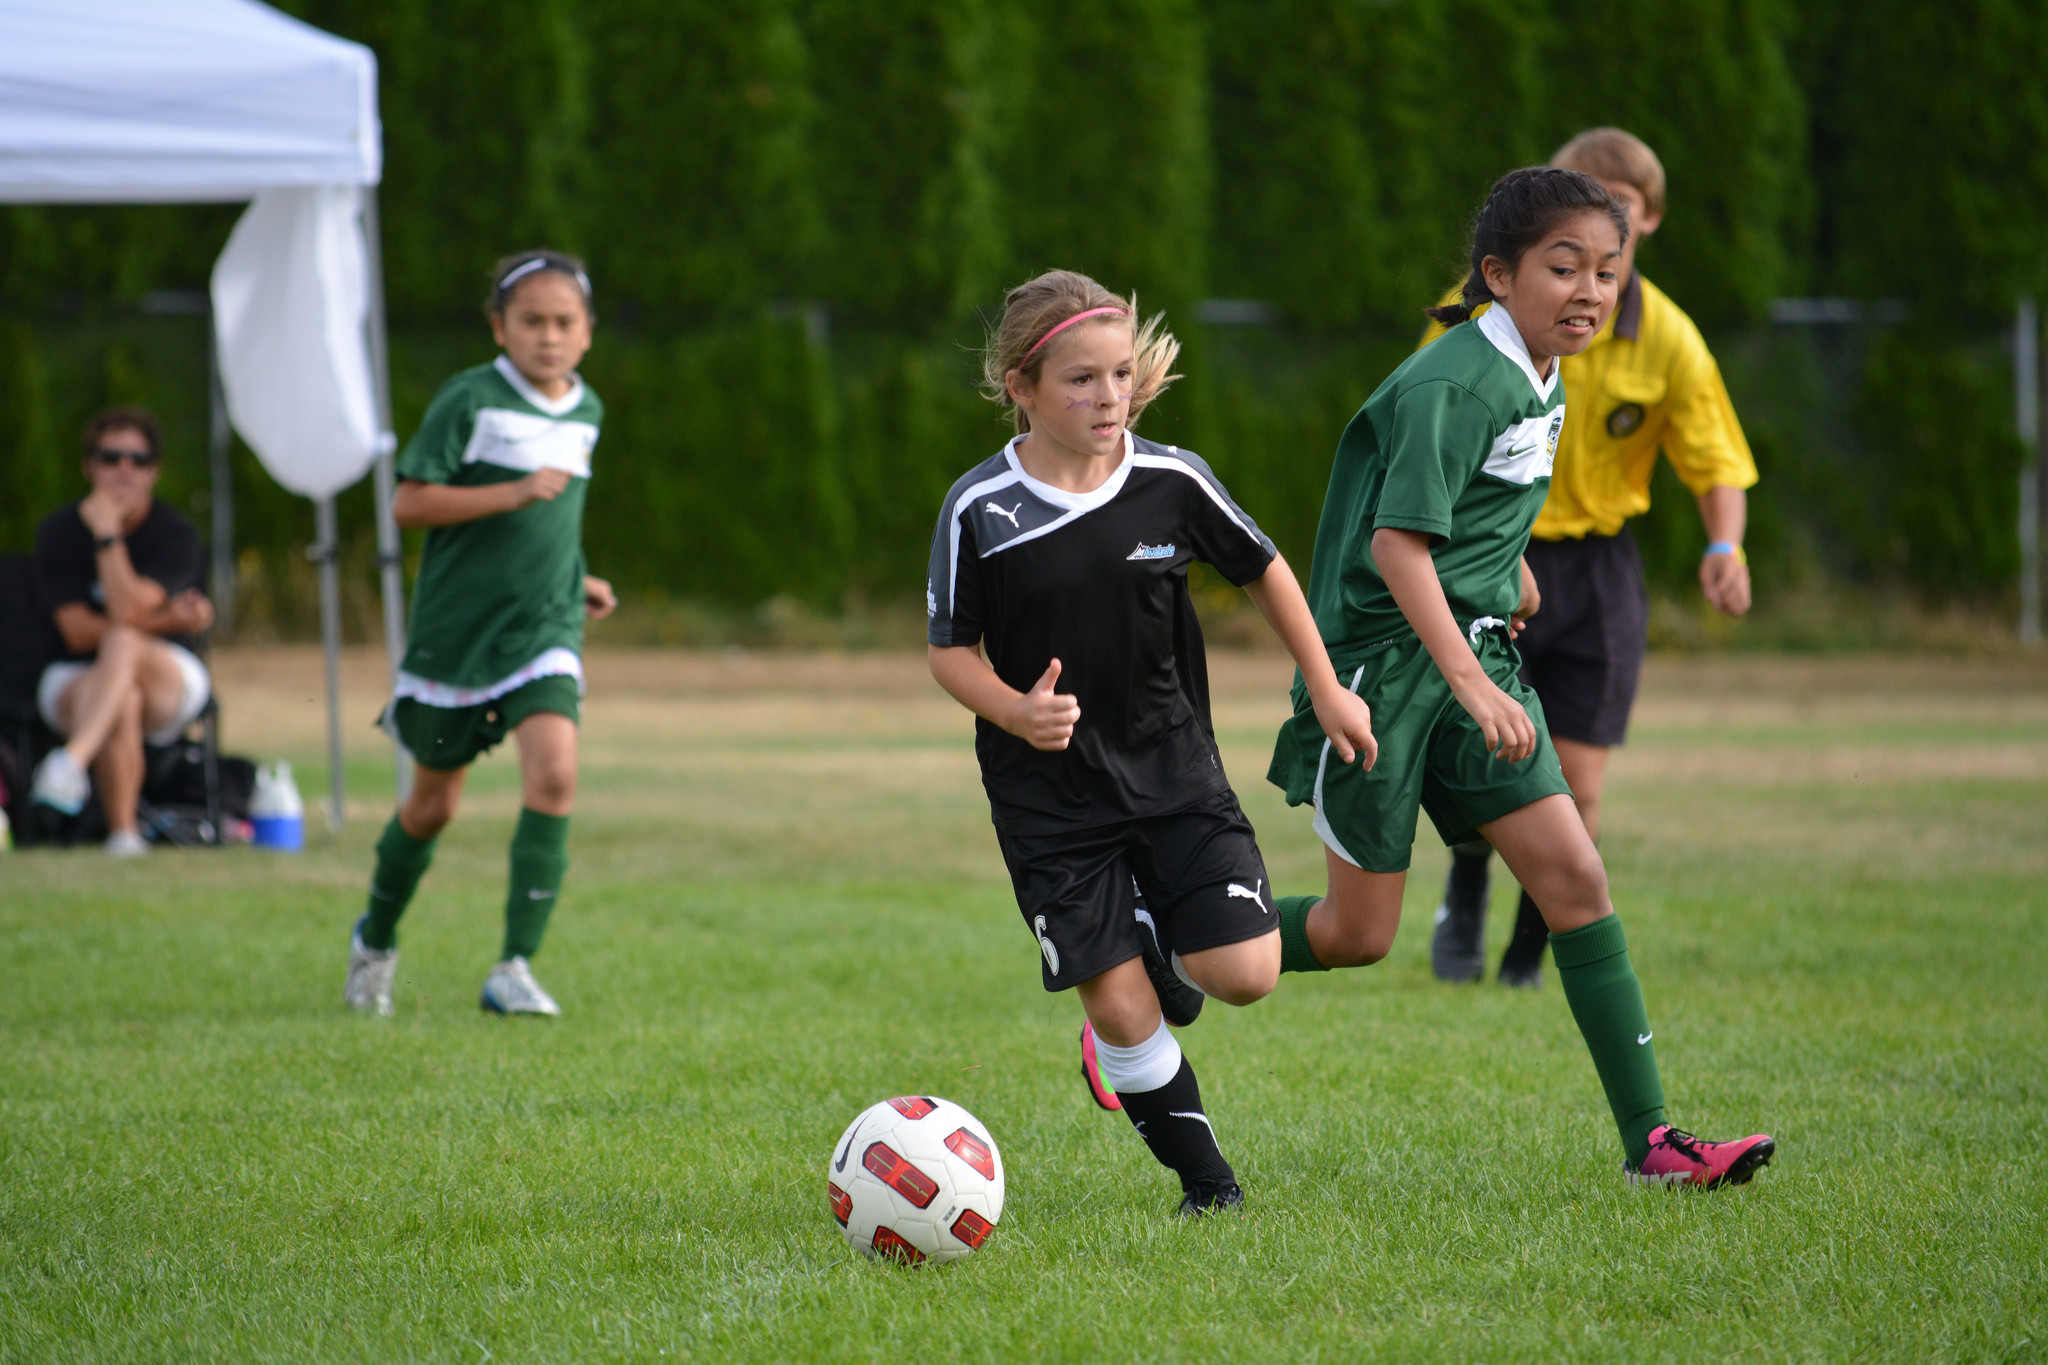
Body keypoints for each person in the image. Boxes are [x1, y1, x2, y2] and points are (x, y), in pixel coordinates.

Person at [1265, 168, 1774, 1188]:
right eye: (1562, 267)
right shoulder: (1459, 380)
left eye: (1605, 270)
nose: (1588, 290)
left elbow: (1468, 516)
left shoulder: (1543, 370)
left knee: (1576, 879)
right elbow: (1398, 547)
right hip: (1383, 677)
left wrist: (1512, 577)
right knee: (1355, 935)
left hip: (1471, 654)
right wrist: (1472, 682)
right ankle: (1158, 948)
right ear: (1496, 275)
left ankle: (1652, 1147)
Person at [927, 270, 1374, 1215]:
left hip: (1173, 769)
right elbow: (949, 653)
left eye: (1120, 374)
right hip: (1047, 797)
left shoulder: (1172, 479)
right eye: (1080, 380)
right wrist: (1016, 711)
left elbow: (1266, 569)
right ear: (1021, 386)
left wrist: (1327, 687)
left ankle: (1156, 935)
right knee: (1120, 1008)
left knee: (1245, 974)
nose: (1107, 397)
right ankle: (1211, 1190)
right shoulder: (979, 509)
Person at [1421, 129, 1760, 988]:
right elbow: (1422, 434)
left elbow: (1717, 457)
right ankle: (1465, 883)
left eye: (1621, 209)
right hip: (1497, 556)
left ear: (1647, 219)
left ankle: (1524, 964)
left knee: (1579, 789)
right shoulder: (1479, 317)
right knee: (1485, 761)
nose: (1606, 221)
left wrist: (1726, 544)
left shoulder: (1668, 337)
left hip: (1601, 572)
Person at [343, 249, 617, 1019]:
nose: (549, 336)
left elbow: (558, 519)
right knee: (432, 806)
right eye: (531, 321)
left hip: (544, 627)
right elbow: (409, 504)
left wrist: (578, 574)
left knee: (555, 773)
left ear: (588, 332)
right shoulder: (468, 399)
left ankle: (514, 966)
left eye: (565, 322)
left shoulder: (588, 409)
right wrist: (512, 491)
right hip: (456, 636)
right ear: (500, 328)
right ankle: (376, 938)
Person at [30, 406, 214, 856]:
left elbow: (126, 608)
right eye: (110, 457)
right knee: (121, 692)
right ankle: (123, 837)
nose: (124, 470)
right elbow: (75, 634)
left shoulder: (175, 533)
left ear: (156, 470)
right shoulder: (57, 531)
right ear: (88, 466)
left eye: (139, 459)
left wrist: (108, 536)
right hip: (76, 677)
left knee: (123, 641)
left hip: (166, 674)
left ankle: (71, 762)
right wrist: (166, 619)